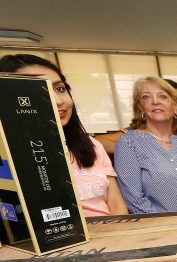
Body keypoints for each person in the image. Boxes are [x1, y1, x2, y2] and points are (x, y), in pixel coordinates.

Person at [0, 54, 129, 217]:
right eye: (37, 90)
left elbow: (117, 206)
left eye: (59, 88)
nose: (58, 100)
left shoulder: (90, 144)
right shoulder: (8, 156)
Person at [113, 76, 177, 216]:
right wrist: (173, 222)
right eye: (146, 97)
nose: (155, 101)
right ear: (140, 106)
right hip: (159, 230)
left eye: (163, 97)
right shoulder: (128, 143)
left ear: (175, 106)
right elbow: (134, 199)